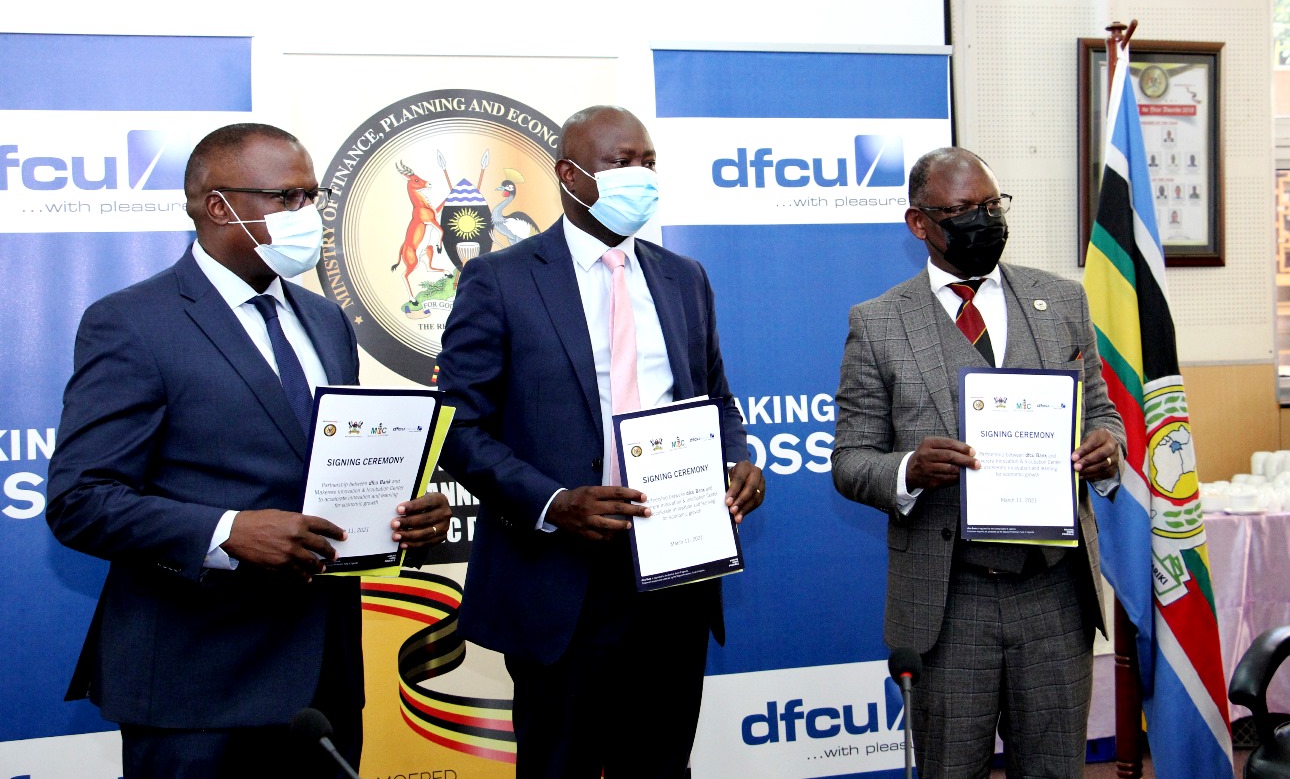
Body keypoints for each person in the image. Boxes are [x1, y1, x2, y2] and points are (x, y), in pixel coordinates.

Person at [45, 123, 452, 779]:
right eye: (286, 198)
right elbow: (79, 501)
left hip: (323, 687)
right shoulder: (132, 322)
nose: (307, 217)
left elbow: (329, 466)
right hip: (197, 687)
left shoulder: (324, 320)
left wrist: (404, 511)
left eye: (311, 197)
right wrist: (227, 531)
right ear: (218, 206)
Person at [437, 105, 765, 779]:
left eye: (648, 162)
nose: (640, 176)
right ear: (570, 174)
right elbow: (457, 427)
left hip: (674, 574)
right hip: (561, 580)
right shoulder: (499, 280)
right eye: (622, 163)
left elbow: (715, 399)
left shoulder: (684, 277)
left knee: (662, 764)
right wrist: (555, 502)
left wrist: (738, 457)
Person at [831, 147, 1123, 778]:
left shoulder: (1061, 300)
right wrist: (907, 468)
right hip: (949, 597)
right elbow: (851, 461)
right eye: (961, 210)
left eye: (992, 205)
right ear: (919, 223)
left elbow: (1103, 413)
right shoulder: (879, 323)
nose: (983, 220)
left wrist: (1107, 446)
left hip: (1054, 592)